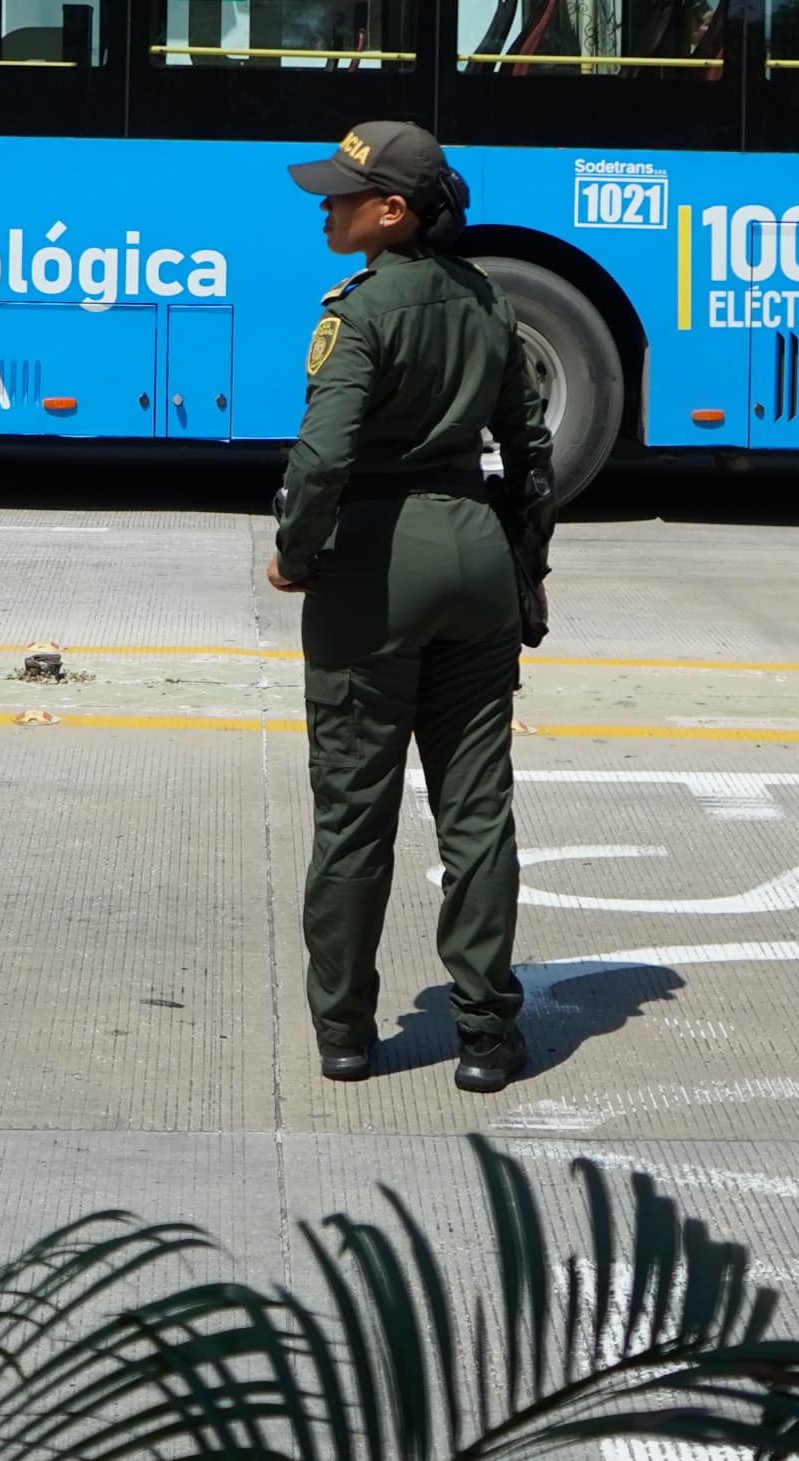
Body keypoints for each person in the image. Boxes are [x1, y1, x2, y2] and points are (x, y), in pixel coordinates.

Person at [266, 119, 553, 1093]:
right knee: (476, 807)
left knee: (354, 812)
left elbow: (323, 454)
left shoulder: (362, 310)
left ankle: (345, 1030)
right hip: (474, 555)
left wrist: (295, 552)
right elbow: (528, 453)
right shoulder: (487, 300)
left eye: (341, 194)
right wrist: (524, 567)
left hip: (376, 565)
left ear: (391, 211)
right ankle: (484, 1032)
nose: (324, 205)